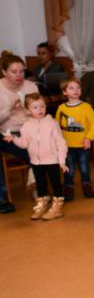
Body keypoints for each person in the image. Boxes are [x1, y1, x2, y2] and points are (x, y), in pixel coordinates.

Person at [3, 93, 67, 220]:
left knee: (56, 184)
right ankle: (43, 203)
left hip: (52, 160)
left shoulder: (52, 123)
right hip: (36, 161)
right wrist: (14, 138)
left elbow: (61, 142)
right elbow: (24, 143)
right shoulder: (26, 126)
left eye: (42, 106)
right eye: (35, 107)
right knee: (40, 184)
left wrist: (62, 160)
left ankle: (57, 208)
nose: (40, 110)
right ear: (28, 110)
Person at [55, 78, 94, 201]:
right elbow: (56, 125)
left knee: (84, 167)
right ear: (64, 92)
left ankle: (87, 185)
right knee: (68, 168)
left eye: (78, 88)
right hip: (66, 145)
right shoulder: (61, 108)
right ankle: (68, 188)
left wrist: (88, 138)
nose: (76, 90)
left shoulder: (86, 107)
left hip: (82, 144)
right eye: (71, 88)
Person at [0, 54, 33, 213]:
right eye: (14, 72)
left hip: (29, 130)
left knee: (44, 146)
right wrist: (9, 109)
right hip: (6, 133)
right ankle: (1, 197)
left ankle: (42, 187)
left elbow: (40, 111)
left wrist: (31, 110)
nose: (19, 75)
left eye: (22, 71)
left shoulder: (31, 86)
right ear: (4, 72)